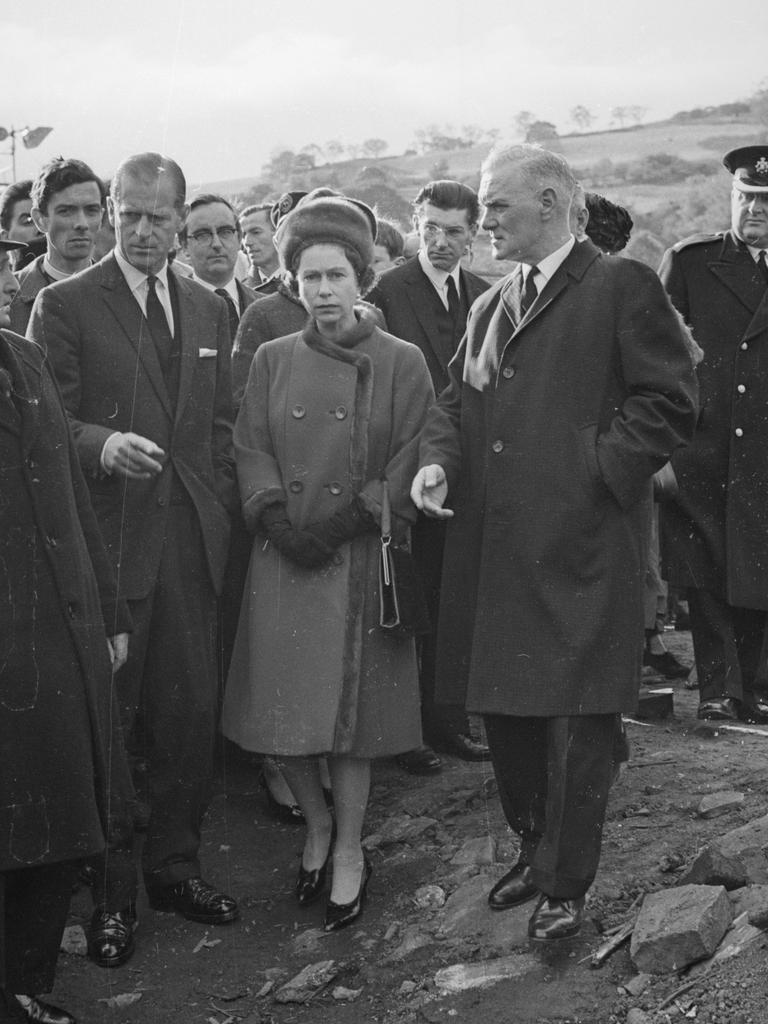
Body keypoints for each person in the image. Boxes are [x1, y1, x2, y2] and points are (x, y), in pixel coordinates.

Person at [411, 144, 698, 940]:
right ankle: (534, 851)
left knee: (578, 725)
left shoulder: (619, 282)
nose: (484, 220)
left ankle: (566, 887)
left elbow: (671, 400)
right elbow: (453, 402)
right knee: (508, 717)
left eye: (496, 205)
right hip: (499, 554)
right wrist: (437, 465)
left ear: (548, 202)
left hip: (582, 549)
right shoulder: (490, 304)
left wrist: (591, 473)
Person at [27, 152, 239, 969]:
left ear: (181, 217)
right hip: (108, 553)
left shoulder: (209, 307)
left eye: (160, 217)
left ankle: (176, 870)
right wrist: (101, 443)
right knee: (110, 731)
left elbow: (218, 427)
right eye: (131, 215)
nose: (145, 232)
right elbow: (48, 429)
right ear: (112, 211)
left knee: (188, 721)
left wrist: (213, 502)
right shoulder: (66, 303)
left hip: (190, 550)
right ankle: (113, 901)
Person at [222, 195, 433, 931]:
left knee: (350, 723)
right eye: (308, 277)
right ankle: (314, 825)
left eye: (336, 275)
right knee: (290, 719)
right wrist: (276, 517)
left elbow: (414, 455)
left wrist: (354, 515)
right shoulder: (275, 359)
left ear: (361, 278)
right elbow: (249, 444)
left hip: (357, 557)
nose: (322, 290)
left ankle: (349, 846)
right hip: (286, 556)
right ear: (294, 282)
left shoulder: (401, 361)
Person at [0, 238, 133, 1024]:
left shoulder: (23, 358)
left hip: (56, 636)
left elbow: (76, 507)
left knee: (57, 823)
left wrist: (108, 611)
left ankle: (22, 983)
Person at [369, 180, 490, 772]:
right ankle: (408, 731)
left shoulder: (485, 293)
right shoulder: (388, 290)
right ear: (416, 225)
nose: (441, 243)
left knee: (454, 597)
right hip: (401, 468)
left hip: (463, 471)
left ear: (473, 235)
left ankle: (448, 722)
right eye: (431, 229)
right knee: (408, 598)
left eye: (455, 232)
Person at [659, 145, 768, 723]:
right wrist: (663, 450)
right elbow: (652, 359)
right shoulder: (691, 263)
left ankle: (760, 687)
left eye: (766, 202)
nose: (755, 210)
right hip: (705, 448)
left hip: (766, 451)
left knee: (762, 566)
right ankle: (720, 691)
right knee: (709, 573)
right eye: (746, 197)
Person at [9, 157, 105, 334]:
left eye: (91, 210)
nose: (81, 223)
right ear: (39, 220)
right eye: (66, 211)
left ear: (102, 216)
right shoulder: (9, 297)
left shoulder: (125, 292)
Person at [240, 201, 280, 292]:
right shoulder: (241, 293)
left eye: (256, 232)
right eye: (243, 236)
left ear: (278, 233)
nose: (247, 242)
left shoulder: (303, 281)